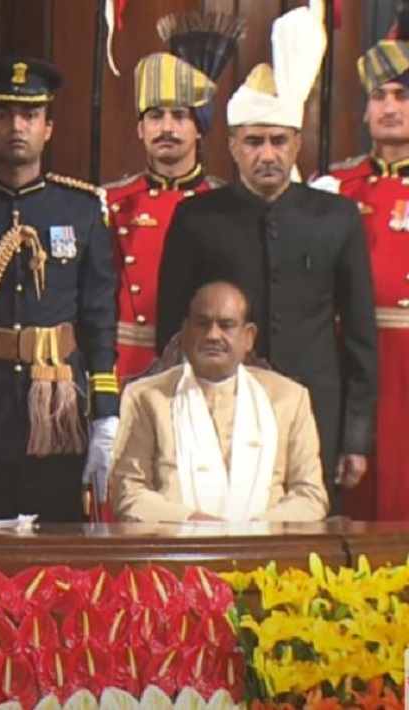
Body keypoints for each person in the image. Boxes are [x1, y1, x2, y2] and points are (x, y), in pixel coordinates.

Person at [155, 3, 377, 515]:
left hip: (316, 412)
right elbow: (170, 332)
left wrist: (356, 436)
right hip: (215, 413)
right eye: (254, 142)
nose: (268, 154)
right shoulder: (196, 218)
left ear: (297, 142)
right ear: (232, 146)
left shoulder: (338, 217)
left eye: (279, 141)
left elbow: (361, 338)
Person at [0, 58, 119, 522]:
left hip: (57, 415)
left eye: (29, 116)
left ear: (48, 128)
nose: (17, 126)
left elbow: (99, 319)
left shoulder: (82, 209)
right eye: (3, 115)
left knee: (57, 552)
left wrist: (105, 410)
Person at [111, 281, 328, 523]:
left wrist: (254, 532)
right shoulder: (147, 398)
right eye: (202, 324)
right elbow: (128, 492)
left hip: (266, 552)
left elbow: (310, 497)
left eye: (226, 325)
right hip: (175, 551)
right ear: (185, 332)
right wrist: (194, 521)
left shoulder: (288, 399)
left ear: (249, 337)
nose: (213, 335)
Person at [103, 12, 243, 380]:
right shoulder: (109, 203)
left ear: (200, 128)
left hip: (200, 368)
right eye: (155, 116)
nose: (167, 128)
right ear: (139, 129)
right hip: (123, 367)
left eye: (180, 116)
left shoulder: (227, 205)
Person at [317, 31, 409, 521]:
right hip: (349, 365)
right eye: (379, 96)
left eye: (402, 94)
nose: (390, 107)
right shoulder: (334, 189)